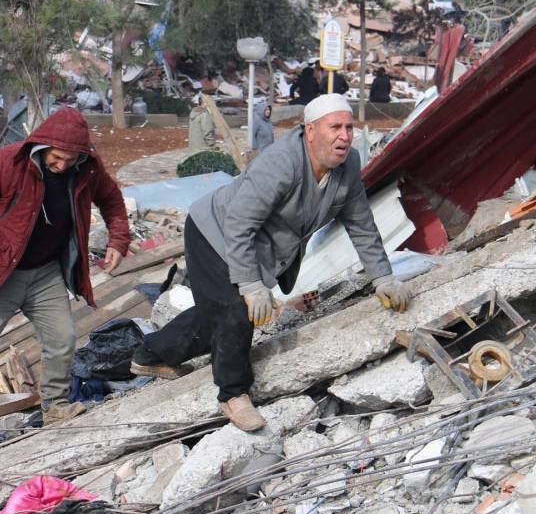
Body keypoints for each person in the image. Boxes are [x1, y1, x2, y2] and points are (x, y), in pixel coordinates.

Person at [130, 94, 413, 431]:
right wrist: (251, 286)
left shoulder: (347, 167)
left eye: (349, 127)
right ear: (310, 131)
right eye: (335, 127)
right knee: (236, 312)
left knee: (218, 315)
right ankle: (233, 394)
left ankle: (150, 354)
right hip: (215, 232)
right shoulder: (282, 164)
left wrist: (383, 277)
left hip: (251, 243)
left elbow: (361, 225)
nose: (345, 135)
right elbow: (239, 224)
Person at [0, 107, 131, 470]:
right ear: (42, 146)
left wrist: (117, 240)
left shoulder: (88, 171)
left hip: (46, 272)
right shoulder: (8, 162)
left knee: (63, 338)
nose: (61, 165)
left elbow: (112, 201)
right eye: (56, 157)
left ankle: (56, 406)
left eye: (70, 159)